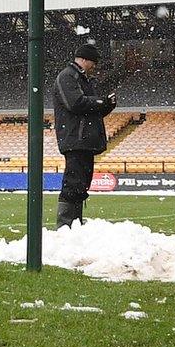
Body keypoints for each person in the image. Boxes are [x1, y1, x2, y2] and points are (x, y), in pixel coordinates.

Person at [50, 37, 116, 227]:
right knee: (74, 182)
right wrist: (100, 102)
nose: (94, 67)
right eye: (93, 63)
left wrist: (106, 106)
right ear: (86, 60)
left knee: (81, 183)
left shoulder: (80, 79)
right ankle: (66, 224)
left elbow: (89, 108)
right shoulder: (67, 77)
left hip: (84, 140)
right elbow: (76, 103)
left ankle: (74, 222)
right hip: (75, 139)